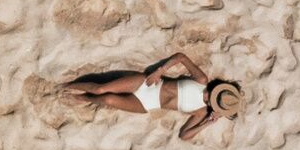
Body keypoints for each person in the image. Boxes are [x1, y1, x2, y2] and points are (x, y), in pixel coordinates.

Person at [58, 50, 242, 140]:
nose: (213, 102)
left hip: (147, 103)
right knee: (101, 88)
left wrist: (207, 124)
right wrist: (159, 72)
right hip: (149, 84)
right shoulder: (201, 80)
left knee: (108, 99)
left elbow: (184, 135)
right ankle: (65, 85)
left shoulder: (201, 112)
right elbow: (181, 57)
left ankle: (81, 98)